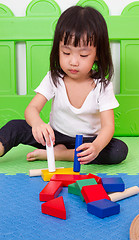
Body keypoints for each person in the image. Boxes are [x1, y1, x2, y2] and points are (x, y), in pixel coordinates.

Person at [0, 6, 128, 165]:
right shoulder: (54, 78)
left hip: (86, 142)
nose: (73, 62)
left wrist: (96, 146)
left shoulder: (102, 86)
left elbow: (108, 126)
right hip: (53, 137)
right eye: (66, 53)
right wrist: (38, 124)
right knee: (14, 127)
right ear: (57, 49)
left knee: (118, 150)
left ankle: (61, 155)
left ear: (97, 54)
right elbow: (31, 109)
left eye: (83, 55)